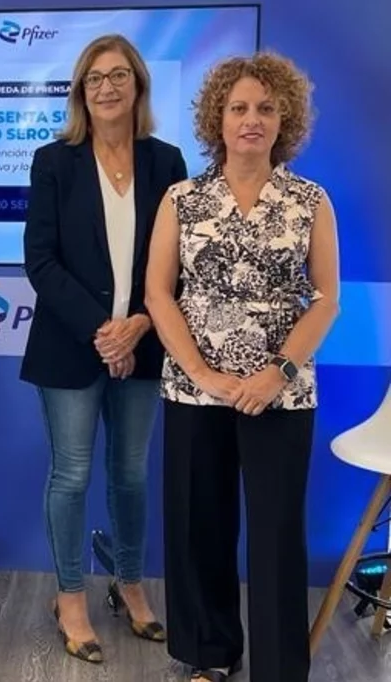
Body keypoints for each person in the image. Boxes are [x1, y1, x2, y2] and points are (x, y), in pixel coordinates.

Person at [145, 52, 339, 682]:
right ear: (216, 119)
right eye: (238, 108)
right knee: (201, 525)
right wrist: (203, 374)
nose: (251, 120)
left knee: (277, 535)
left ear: (285, 119)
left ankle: (280, 670)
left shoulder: (310, 201)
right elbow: (158, 295)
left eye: (265, 108)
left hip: (280, 393)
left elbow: (326, 299)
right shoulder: (183, 199)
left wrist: (276, 373)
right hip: (195, 389)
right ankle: (209, 655)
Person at [20, 34, 187, 663]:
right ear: (80, 91)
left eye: (119, 75)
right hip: (70, 346)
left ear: (138, 85)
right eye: (95, 77)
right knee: (72, 475)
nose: (107, 87)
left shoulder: (166, 161)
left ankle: (131, 586)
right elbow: (41, 259)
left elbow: (177, 262)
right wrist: (103, 329)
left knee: (131, 475)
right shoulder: (53, 161)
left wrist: (139, 325)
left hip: (145, 347)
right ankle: (69, 596)